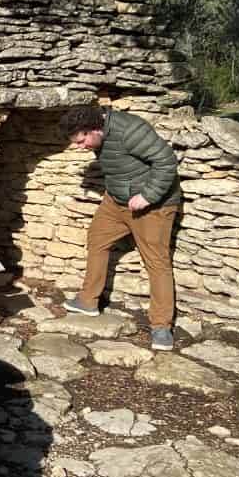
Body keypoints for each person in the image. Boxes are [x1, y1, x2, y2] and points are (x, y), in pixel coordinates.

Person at [58, 105, 182, 350]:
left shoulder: (130, 130)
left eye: (82, 141)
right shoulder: (97, 134)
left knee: (156, 262)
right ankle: (88, 301)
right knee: (97, 239)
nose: (80, 147)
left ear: (96, 129)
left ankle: (161, 327)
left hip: (153, 205)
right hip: (116, 200)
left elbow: (166, 162)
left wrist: (148, 196)